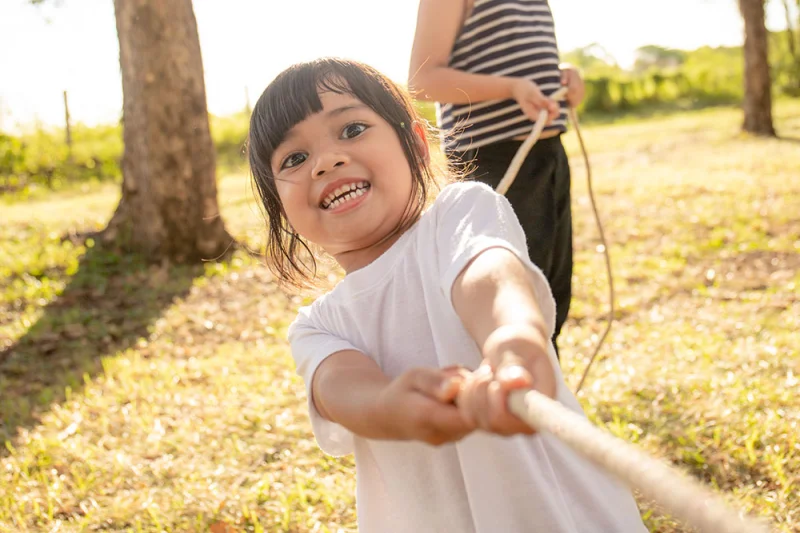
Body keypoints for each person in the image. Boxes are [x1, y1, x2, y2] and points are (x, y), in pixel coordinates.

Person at [247, 58, 644, 533]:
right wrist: (391, 405)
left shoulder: (459, 214)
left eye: (352, 129)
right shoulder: (317, 327)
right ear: (280, 206)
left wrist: (513, 338)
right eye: (294, 159)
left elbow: (488, 275)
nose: (327, 161)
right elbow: (340, 390)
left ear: (415, 143)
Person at [408, 0, 584, 354]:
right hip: (491, 159)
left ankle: (545, 392)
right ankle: (511, 390)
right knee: (507, 301)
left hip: (547, 155)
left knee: (550, 293)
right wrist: (510, 88)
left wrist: (562, 72)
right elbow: (422, 80)